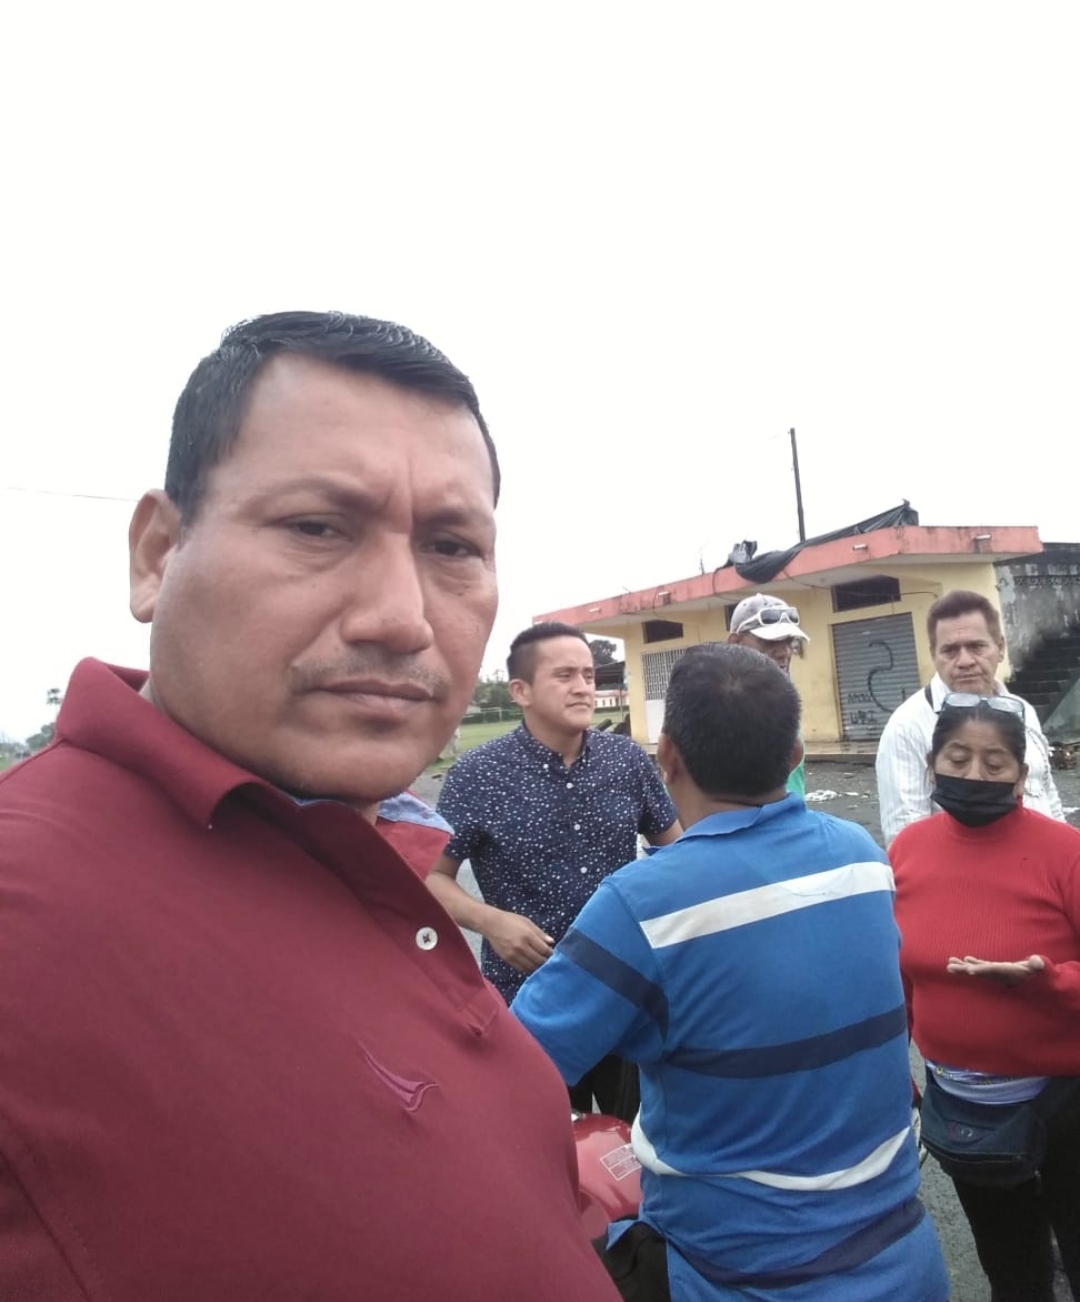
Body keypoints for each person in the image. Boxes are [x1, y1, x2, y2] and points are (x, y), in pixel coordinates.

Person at [0, 312, 620, 1301]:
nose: (401, 618)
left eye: (452, 545)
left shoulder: (375, 843)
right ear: (158, 554)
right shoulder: (26, 923)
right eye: (317, 529)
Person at [512, 643, 949, 1302]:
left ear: (667, 757)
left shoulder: (643, 905)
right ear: (795, 755)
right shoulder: (861, 857)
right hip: (905, 1260)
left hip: (735, 1277)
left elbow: (516, 1071)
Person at [428, 621, 680, 1118]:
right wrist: (490, 922)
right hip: (528, 999)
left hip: (623, 991)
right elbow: (430, 876)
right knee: (541, 1137)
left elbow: (677, 854)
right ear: (520, 691)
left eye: (588, 675)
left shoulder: (627, 761)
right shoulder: (477, 775)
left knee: (630, 1139)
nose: (583, 687)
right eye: (564, 675)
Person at [891, 693, 1080, 1301]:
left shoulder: (1066, 853)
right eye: (958, 758)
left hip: (1066, 1105)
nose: (974, 775)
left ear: (1021, 776)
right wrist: (894, 1064)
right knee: (1012, 1271)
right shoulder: (907, 851)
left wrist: (1044, 980)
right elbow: (900, 974)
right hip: (965, 1114)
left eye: (995, 764)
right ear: (932, 764)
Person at [876, 588, 1064, 843]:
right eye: (950, 650)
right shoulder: (908, 726)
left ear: (1000, 648)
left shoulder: (1022, 710)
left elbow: (1047, 794)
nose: (965, 661)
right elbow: (905, 838)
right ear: (934, 655)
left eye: (977, 646)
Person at [728, 592, 810, 796]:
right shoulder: (716, 715)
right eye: (770, 641)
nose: (784, 652)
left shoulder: (783, 706)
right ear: (736, 643)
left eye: (789, 641)